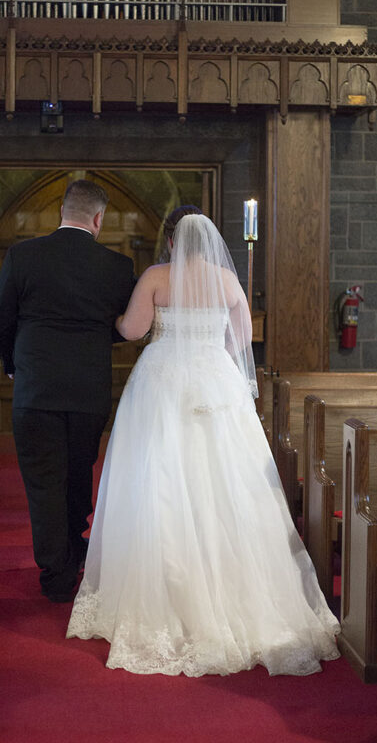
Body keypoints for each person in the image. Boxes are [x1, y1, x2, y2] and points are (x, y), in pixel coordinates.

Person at [67, 206, 340, 676]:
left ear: (172, 241)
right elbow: (240, 341)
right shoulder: (228, 282)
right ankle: (240, 593)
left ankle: (158, 592)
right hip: (216, 380)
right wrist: (208, 353)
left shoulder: (156, 277)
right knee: (224, 483)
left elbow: (132, 330)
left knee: (158, 477)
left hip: (163, 382)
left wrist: (120, 325)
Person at [0, 179, 136, 602]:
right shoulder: (117, 266)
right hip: (89, 390)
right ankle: (74, 547)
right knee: (76, 474)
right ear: (98, 218)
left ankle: (57, 574)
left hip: (36, 389)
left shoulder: (23, 256)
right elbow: (124, 327)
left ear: (62, 212)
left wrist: (12, 362)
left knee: (43, 482)